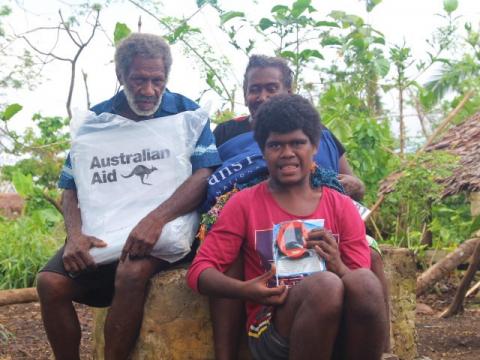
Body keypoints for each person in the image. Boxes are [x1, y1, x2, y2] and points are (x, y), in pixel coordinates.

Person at [36, 33, 221, 360]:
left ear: (166, 77)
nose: (148, 90)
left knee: (131, 270)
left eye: (157, 80)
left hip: (168, 225)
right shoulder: (97, 121)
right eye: (138, 80)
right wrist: (75, 236)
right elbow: (71, 186)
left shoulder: (185, 112)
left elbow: (203, 174)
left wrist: (156, 220)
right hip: (106, 230)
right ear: (121, 76)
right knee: (50, 283)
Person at [207, 55, 390, 359]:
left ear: (313, 146)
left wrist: (337, 262)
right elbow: (208, 181)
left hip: (331, 231)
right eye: (255, 89)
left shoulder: (334, 191)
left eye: (272, 88)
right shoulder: (229, 138)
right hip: (275, 315)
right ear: (263, 147)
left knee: (363, 276)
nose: (262, 97)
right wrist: (247, 290)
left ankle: (384, 350)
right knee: (323, 285)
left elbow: (353, 183)